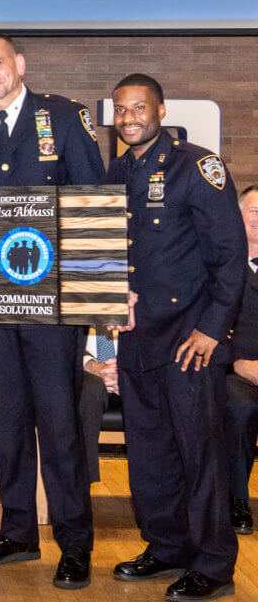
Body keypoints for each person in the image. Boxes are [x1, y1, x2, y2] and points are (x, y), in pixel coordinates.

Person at [0, 33, 101, 589]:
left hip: (54, 305)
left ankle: (75, 542)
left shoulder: (62, 116)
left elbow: (93, 202)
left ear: (20, 65)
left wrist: (95, 291)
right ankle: (17, 532)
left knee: (59, 422)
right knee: (7, 420)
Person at [108, 73, 243, 601]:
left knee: (199, 455)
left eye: (138, 108)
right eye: (120, 111)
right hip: (139, 338)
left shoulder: (197, 166)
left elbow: (230, 256)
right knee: (149, 454)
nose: (129, 118)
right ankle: (166, 547)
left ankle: (212, 564)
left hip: (190, 340)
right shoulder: (118, 169)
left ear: (161, 111)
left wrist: (212, 330)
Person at [224, 185, 258, 535]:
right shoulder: (221, 268)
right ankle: (236, 500)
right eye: (254, 211)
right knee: (238, 407)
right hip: (234, 372)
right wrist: (238, 363)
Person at [78, 330, 120, 484]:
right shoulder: (76, 306)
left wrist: (123, 369)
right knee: (91, 388)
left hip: (135, 367)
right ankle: (83, 482)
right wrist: (89, 364)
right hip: (88, 371)